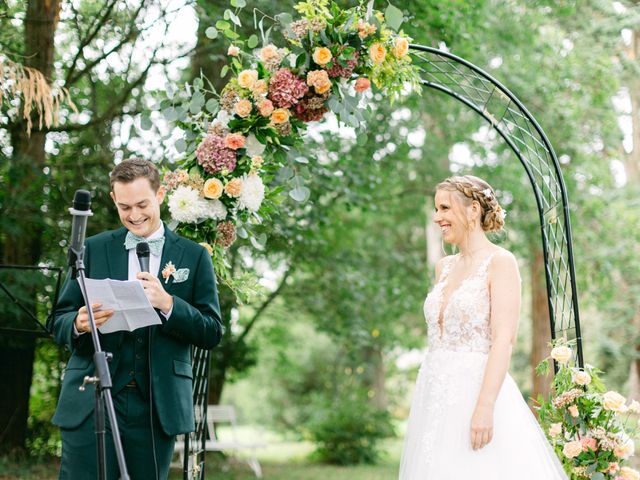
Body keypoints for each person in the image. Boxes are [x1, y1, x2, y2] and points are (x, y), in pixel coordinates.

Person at [47, 158, 223, 480]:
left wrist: (169, 304)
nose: (134, 215)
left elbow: (212, 331)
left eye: (142, 204)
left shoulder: (194, 256)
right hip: (92, 399)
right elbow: (56, 320)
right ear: (113, 200)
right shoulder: (92, 249)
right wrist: (77, 323)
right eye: (124, 206)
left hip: (156, 407)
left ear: (160, 194)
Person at [399, 175, 567, 479]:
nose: (437, 217)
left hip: (476, 391)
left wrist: (485, 407)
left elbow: (504, 340)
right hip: (434, 392)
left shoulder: (500, 262)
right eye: (436, 210)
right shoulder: (444, 267)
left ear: (473, 209)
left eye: (445, 208)